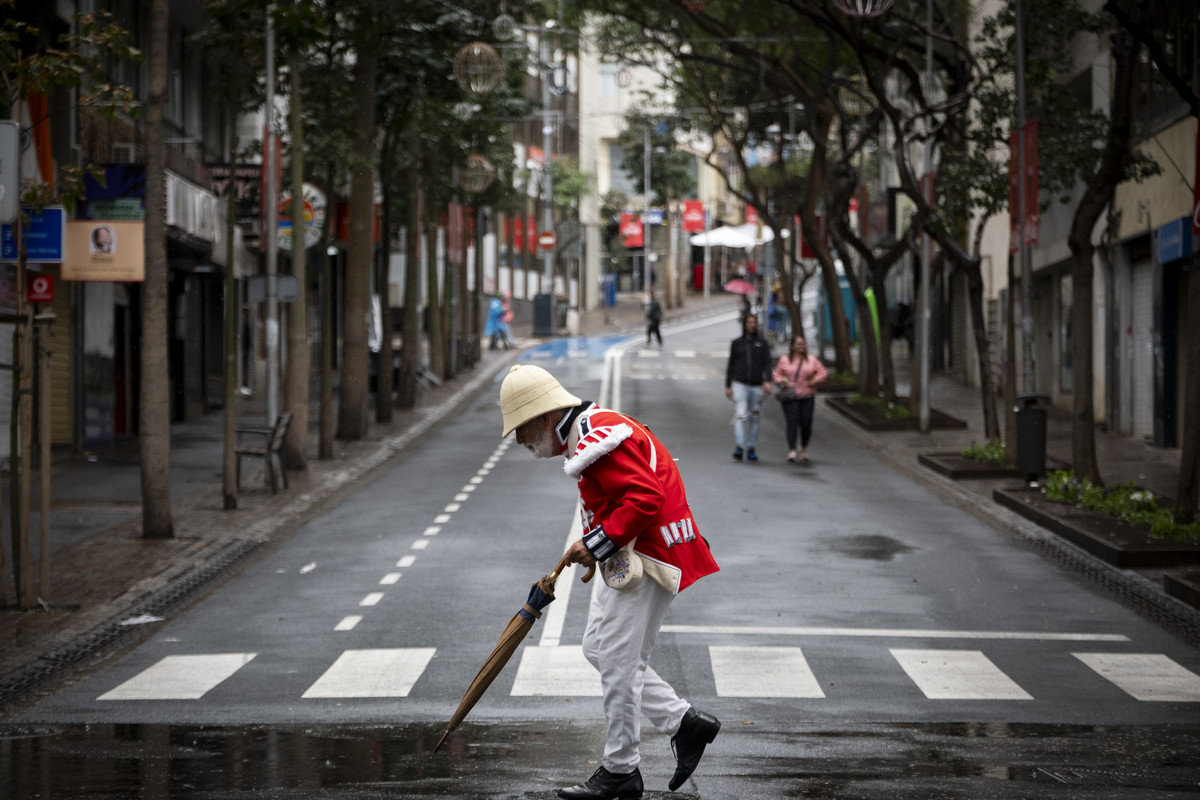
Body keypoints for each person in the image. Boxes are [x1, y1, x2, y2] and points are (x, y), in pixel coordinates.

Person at [499, 364, 721, 799]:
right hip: (632, 552)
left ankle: (621, 772)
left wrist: (596, 543)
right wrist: (595, 541)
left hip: (650, 555)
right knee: (598, 648)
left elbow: (645, 498)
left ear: (544, 416)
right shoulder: (590, 429)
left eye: (522, 430)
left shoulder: (595, 435)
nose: (522, 442)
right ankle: (684, 723)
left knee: (618, 663)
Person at [724, 313, 773, 462]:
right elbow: (731, 364)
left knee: (754, 417)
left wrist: (768, 380)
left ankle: (751, 447)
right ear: (744, 324)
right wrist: (728, 385)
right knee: (740, 415)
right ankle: (740, 446)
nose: (752, 325)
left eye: (754, 322)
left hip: (756, 386)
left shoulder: (762, 343)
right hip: (740, 384)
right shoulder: (737, 343)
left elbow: (767, 363)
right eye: (749, 322)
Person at [772, 334, 828, 462]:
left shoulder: (811, 359)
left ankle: (804, 447)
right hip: (790, 396)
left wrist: (815, 380)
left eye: (803, 344)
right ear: (792, 346)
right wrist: (784, 380)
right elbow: (776, 375)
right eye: (798, 344)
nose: (801, 346)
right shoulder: (785, 360)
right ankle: (792, 450)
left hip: (807, 396)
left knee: (806, 423)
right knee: (792, 422)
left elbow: (823, 372)